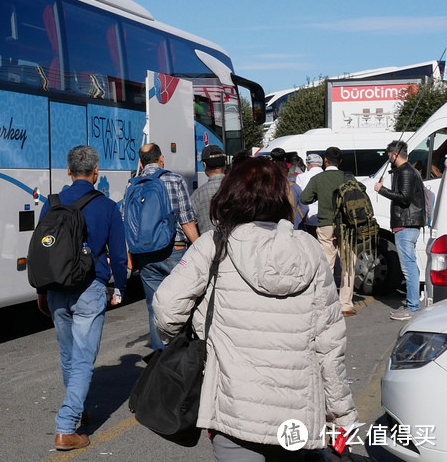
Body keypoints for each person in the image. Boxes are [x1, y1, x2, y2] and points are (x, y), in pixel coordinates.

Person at [153, 157, 360, 460]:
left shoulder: (214, 244)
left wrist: (199, 336)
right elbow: (329, 347)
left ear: (232, 194)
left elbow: (167, 308)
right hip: (296, 415)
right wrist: (343, 419)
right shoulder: (310, 250)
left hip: (233, 409)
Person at [36, 145, 127, 451]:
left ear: (69, 171)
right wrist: (120, 288)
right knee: (84, 359)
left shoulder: (52, 204)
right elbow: (117, 253)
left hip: (57, 289)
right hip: (90, 288)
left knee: (69, 354)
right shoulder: (108, 206)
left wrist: (42, 291)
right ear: (96, 172)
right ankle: (65, 427)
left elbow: (42, 252)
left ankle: (81, 406)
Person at [130, 143, 199, 351]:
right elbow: (186, 220)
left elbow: (130, 224)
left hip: (146, 256)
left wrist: (131, 255)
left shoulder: (132, 185)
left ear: (141, 163)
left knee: (154, 307)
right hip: (174, 250)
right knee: (183, 304)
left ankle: (161, 360)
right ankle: (184, 355)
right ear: (161, 159)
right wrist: (199, 248)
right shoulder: (174, 180)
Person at [300, 147, 356, 316]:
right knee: (348, 264)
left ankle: (325, 302)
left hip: (325, 223)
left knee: (327, 263)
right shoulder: (348, 177)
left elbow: (304, 198)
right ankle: (346, 304)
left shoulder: (318, 178)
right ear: (340, 161)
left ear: (325, 160)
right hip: (346, 224)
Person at [375, 140, 426, 321]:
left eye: (389, 154)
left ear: (395, 154)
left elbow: (404, 199)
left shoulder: (405, 172)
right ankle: (411, 303)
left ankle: (413, 307)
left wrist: (382, 190)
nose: (388, 157)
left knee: (408, 267)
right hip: (408, 224)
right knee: (410, 266)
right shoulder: (408, 171)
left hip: (406, 224)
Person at [191, 145, 227, 236]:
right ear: (225, 163)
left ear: (205, 165)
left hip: (208, 247)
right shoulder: (238, 189)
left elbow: (188, 222)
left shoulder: (197, 195)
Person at [296, 153, 324, 235]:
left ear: (308, 165)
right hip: (326, 218)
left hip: (309, 217)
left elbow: (300, 198)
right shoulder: (328, 176)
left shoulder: (301, 177)